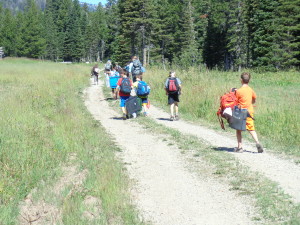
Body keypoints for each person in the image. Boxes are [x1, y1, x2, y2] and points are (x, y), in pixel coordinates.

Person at [234, 72, 263, 153]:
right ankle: (257, 143)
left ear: (241, 80)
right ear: (249, 80)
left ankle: (240, 148)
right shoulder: (251, 90)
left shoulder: (238, 91)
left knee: (238, 129)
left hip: (240, 112)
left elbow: (235, 102)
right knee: (251, 129)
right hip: (249, 112)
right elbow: (254, 100)